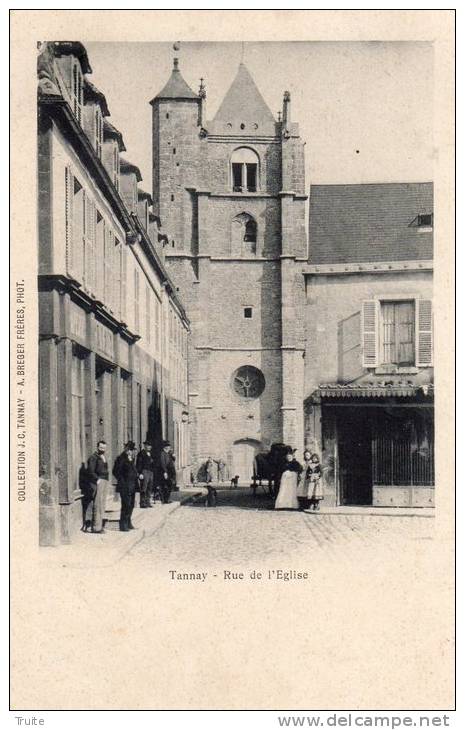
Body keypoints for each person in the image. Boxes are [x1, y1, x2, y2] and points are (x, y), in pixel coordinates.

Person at [85, 440, 110, 533]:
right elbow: (91, 471)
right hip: (98, 482)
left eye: (104, 448)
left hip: (104, 481)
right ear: (97, 447)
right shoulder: (93, 457)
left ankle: (99, 525)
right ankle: (96, 527)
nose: (102, 450)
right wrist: (97, 479)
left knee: (102, 504)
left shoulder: (103, 457)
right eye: (101, 448)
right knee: (98, 504)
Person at [113, 441, 138, 531]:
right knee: (125, 505)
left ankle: (128, 522)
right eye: (129, 449)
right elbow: (115, 471)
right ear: (126, 449)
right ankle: (123, 525)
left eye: (132, 450)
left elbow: (133, 471)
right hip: (125, 486)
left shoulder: (131, 459)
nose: (130, 452)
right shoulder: (121, 458)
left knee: (131, 505)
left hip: (132, 485)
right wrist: (122, 480)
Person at [136, 440, 154, 508]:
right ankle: (142, 503)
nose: (149, 447)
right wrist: (140, 473)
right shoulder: (141, 453)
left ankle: (148, 502)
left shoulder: (150, 453)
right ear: (145, 446)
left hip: (150, 472)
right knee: (144, 487)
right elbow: (139, 464)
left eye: (150, 446)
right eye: (147, 446)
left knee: (149, 487)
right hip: (144, 471)